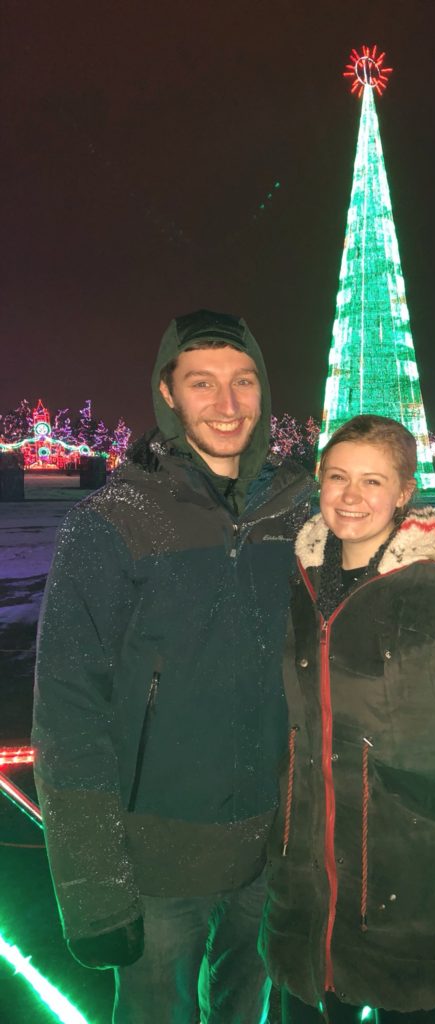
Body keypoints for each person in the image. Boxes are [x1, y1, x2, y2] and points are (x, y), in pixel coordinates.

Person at [32, 309, 311, 1023]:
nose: (227, 404)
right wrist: (95, 887)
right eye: (203, 383)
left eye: (243, 382)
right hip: (155, 864)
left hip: (272, 846)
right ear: (168, 392)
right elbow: (69, 710)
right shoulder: (114, 519)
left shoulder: (295, 509)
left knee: (247, 1011)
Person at [260, 415, 435, 1024]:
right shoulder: (293, 579)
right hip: (306, 894)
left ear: (405, 491)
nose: (351, 497)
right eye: (337, 477)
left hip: (415, 890)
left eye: (373, 481)